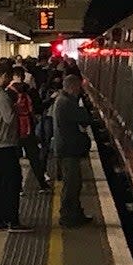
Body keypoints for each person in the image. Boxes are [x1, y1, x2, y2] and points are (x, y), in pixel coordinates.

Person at [0, 62, 33, 232]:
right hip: (4, 145)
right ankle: (12, 220)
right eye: (8, 77)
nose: (9, 81)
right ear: (3, 76)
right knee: (11, 183)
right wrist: (16, 108)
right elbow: (9, 118)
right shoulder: (1, 96)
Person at [52, 75, 93, 228]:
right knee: (71, 185)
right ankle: (68, 216)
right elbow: (85, 118)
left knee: (74, 184)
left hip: (67, 148)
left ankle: (75, 213)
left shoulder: (62, 101)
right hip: (68, 150)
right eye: (79, 88)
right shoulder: (66, 103)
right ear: (73, 87)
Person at [7, 66, 49, 192]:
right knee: (35, 159)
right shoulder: (30, 91)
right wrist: (51, 99)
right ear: (23, 77)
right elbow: (39, 107)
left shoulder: (7, 92)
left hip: (14, 130)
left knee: (14, 162)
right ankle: (42, 185)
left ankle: (18, 188)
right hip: (29, 129)